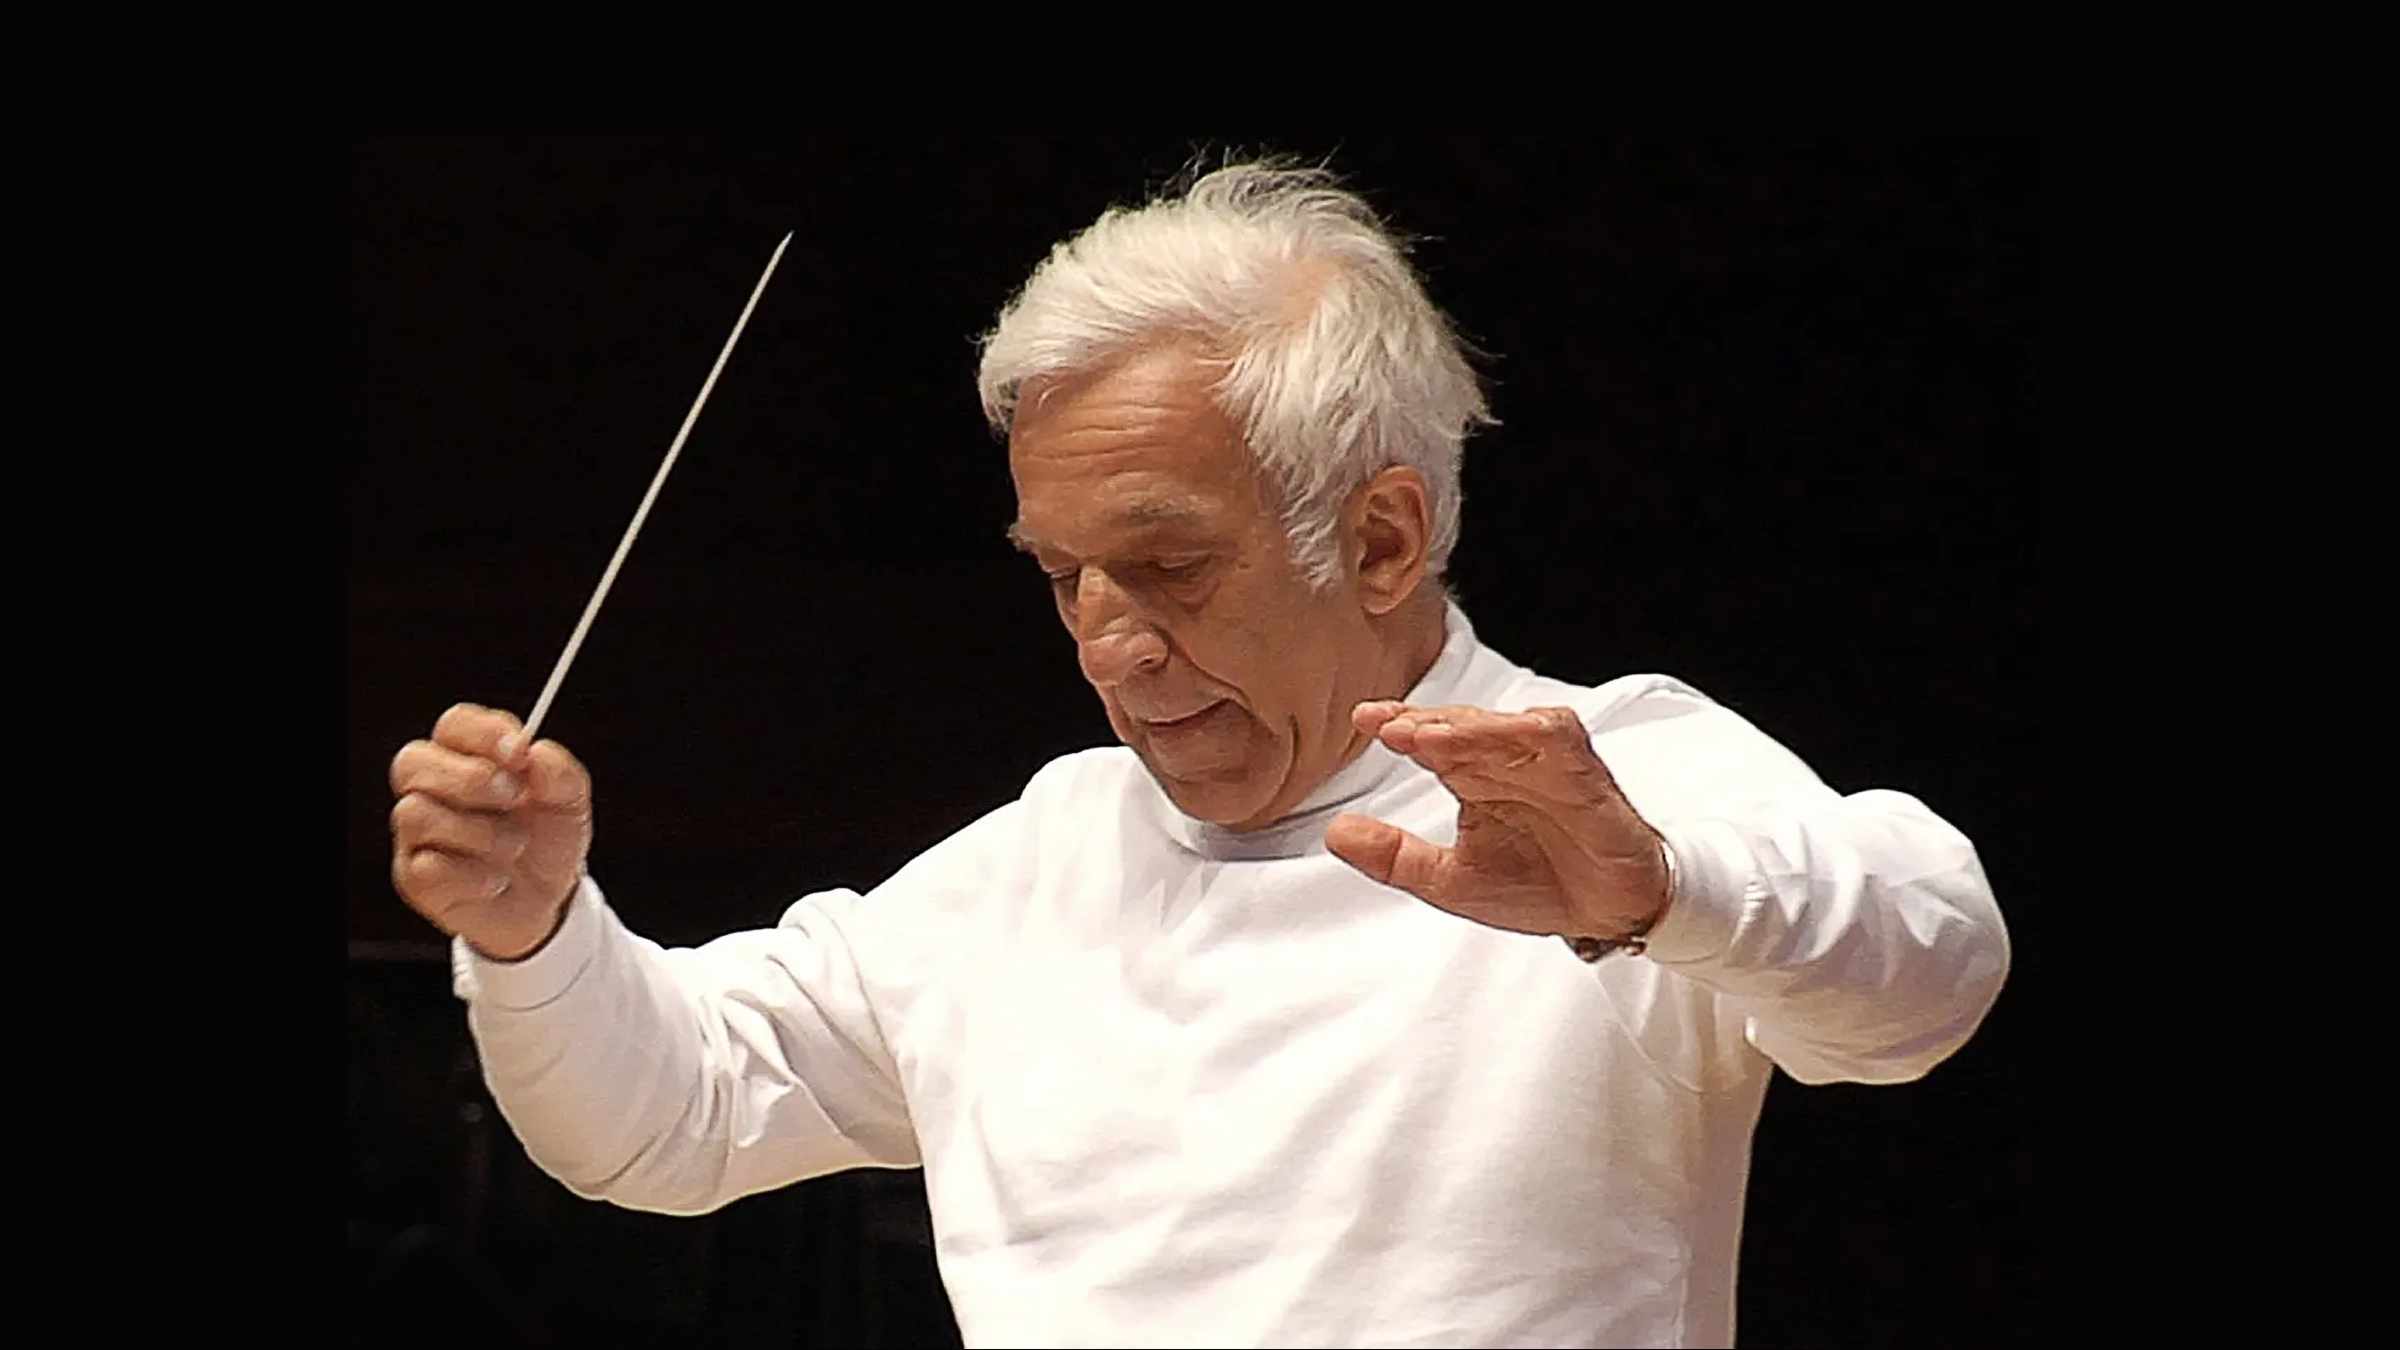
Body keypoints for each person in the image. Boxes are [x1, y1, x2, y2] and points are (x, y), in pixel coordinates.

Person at [388, 163, 2008, 1348]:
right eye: (1059, 574)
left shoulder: (1613, 779)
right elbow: (664, 1118)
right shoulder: (1028, 865)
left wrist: (1662, 891)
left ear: (1384, 536)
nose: (1105, 642)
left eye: (1166, 567)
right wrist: (534, 927)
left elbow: (1934, 965)